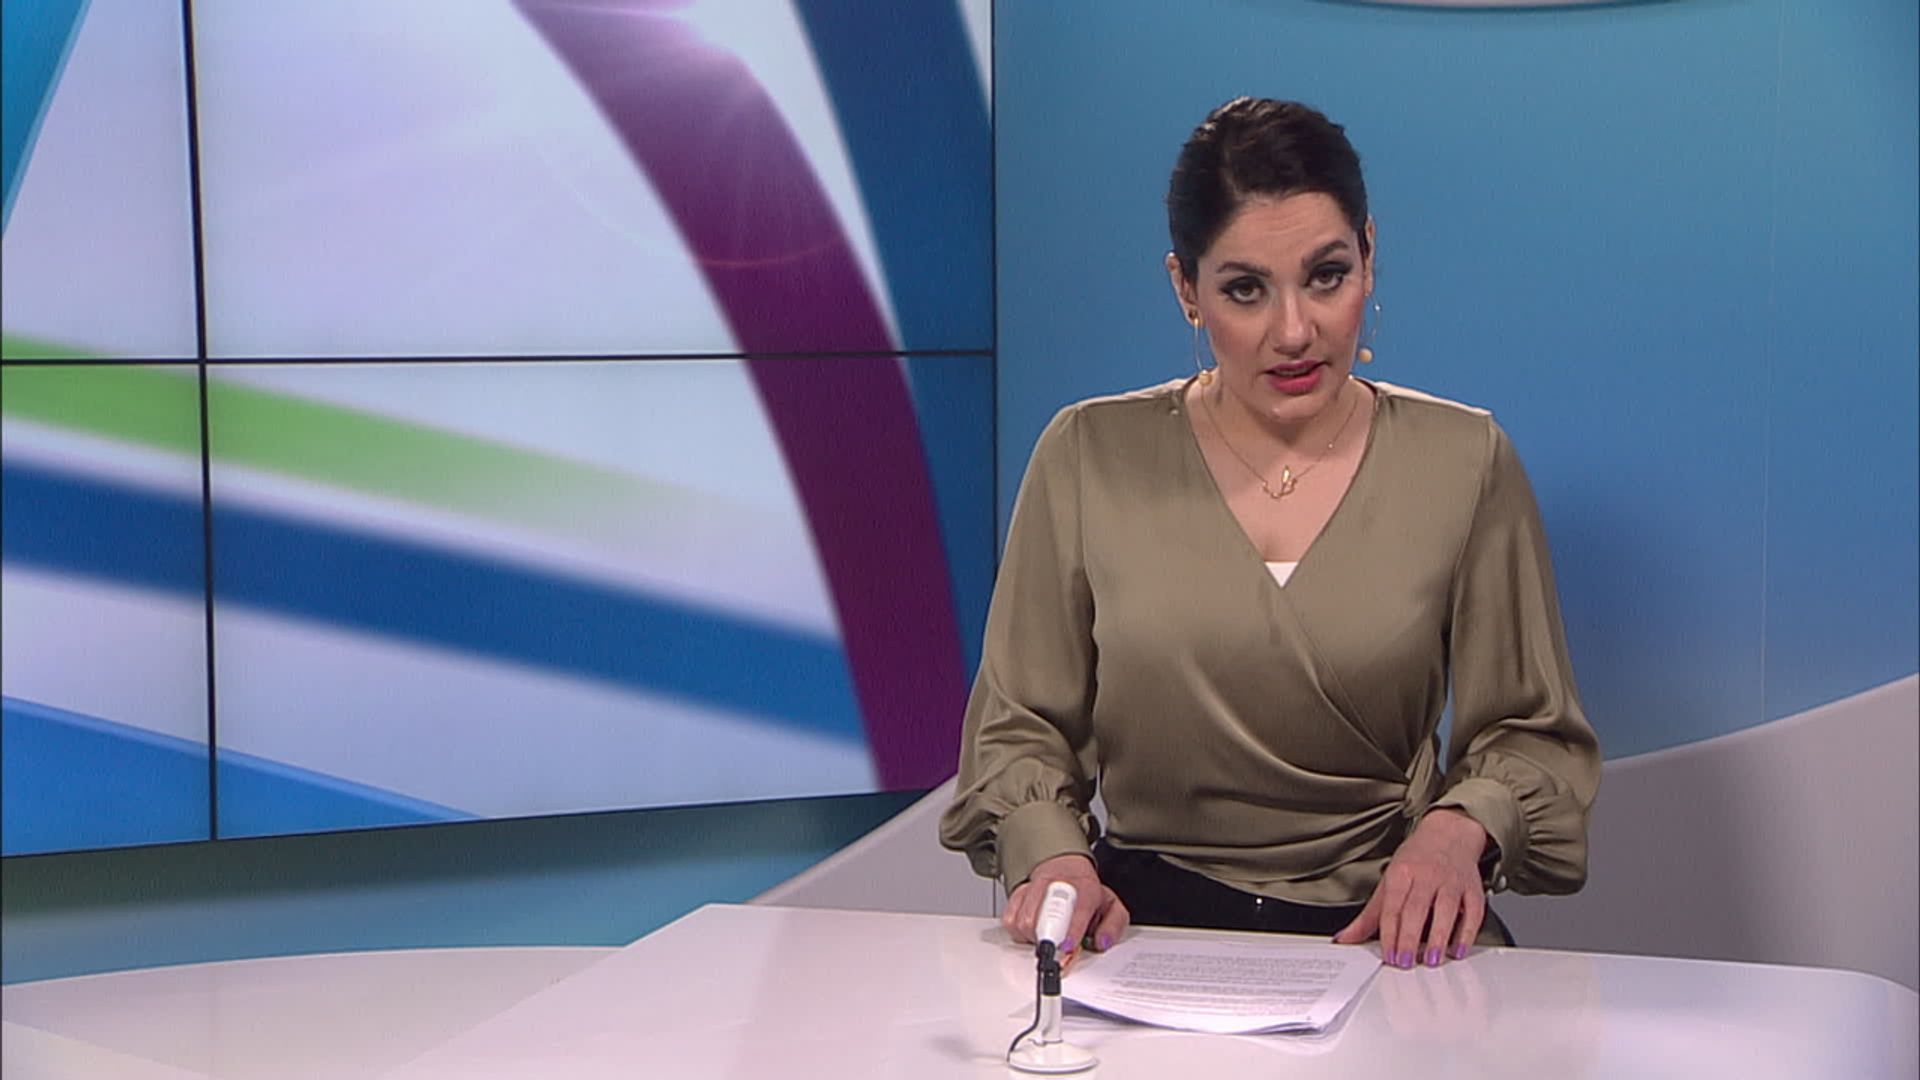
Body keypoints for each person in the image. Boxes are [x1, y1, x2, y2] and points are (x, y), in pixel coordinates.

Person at [939, 97, 1600, 972]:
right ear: (1186, 289)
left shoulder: (1465, 461)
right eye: (1245, 289)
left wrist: (1459, 829)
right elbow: (1019, 728)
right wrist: (1053, 857)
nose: (1295, 331)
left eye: (1326, 276)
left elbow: (1531, 735)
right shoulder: (1087, 456)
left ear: (1370, 254)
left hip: (1389, 936)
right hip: (1139, 933)